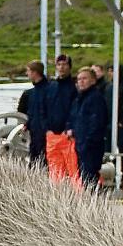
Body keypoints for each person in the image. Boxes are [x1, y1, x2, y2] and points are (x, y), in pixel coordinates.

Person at [68, 63, 110, 190]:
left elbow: (97, 123)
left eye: (84, 78)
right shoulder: (79, 99)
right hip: (80, 142)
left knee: (90, 175)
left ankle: (93, 201)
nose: (81, 82)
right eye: (79, 79)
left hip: (91, 145)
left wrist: (88, 141)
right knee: (84, 175)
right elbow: (74, 117)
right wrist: (71, 129)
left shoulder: (95, 98)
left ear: (93, 80)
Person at [43, 54, 81, 184]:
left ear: (69, 67)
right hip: (52, 135)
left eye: (64, 64)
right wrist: (47, 128)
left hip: (68, 135)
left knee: (73, 168)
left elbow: (75, 111)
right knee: (54, 169)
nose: (61, 67)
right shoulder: (51, 86)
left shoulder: (74, 87)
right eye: (59, 65)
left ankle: (78, 198)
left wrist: (70, 128)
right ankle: (58, 196)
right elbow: (46, 108)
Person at [20, 61, 50, 167]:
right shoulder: (32, 93)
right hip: (35, 133)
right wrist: (28, 124)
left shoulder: (48, 90)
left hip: (45, 134)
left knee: (42, 162)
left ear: (34, 72)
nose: (27, 74)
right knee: (35, 162)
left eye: (28, 71)